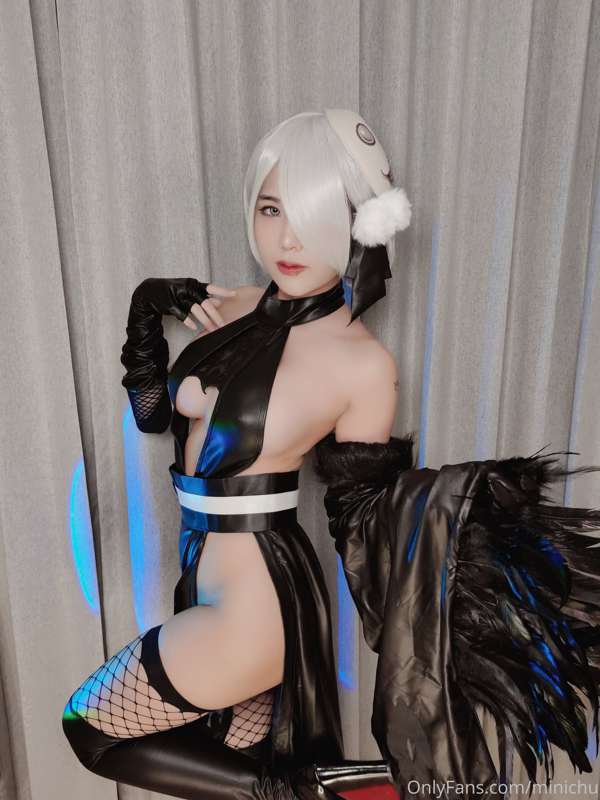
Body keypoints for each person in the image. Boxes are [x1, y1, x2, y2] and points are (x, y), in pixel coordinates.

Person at [61, 109, 600, 800]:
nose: (288, 239)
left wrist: (476, 532)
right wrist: (146, 309)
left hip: (257, 607)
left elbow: (365, 516)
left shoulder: (362, 364)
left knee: (89, 726)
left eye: (319, 217)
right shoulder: (233, 308)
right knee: (236, 767)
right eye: (271, 209)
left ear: (362, 225)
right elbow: (153, 416)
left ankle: (319, 791)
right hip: (203, 578)